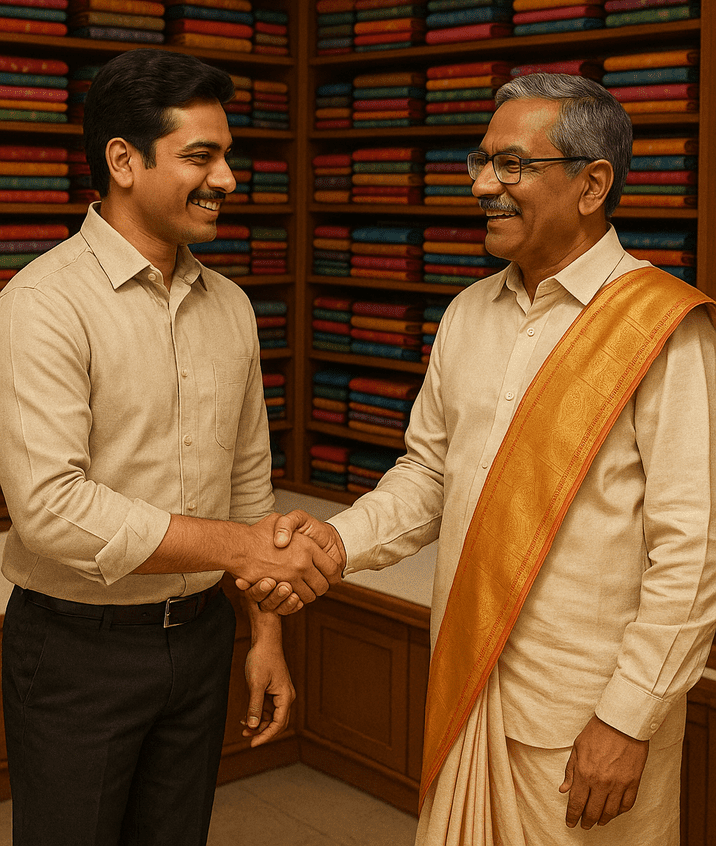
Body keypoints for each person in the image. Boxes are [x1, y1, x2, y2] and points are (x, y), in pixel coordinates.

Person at [254, 73, 716, 845]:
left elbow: (694, 552)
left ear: (592, 183)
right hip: (469, 682)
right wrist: (338, 541)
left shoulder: (664, 329)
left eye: (511, 165)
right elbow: (429, 474)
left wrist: (627, 719)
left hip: (585, 717)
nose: (481, 185)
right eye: (480, 161)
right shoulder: (470, 313)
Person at [0, 48, 340, 846]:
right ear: (123, 160)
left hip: (201, 637)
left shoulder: (231, 307)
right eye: (201, 156)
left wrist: (266, 634)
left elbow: (249, 480)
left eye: (227, 156)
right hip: (76, 650)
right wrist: (244, 546)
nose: (226, 178)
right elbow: (51, 509)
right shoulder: (41, 304)